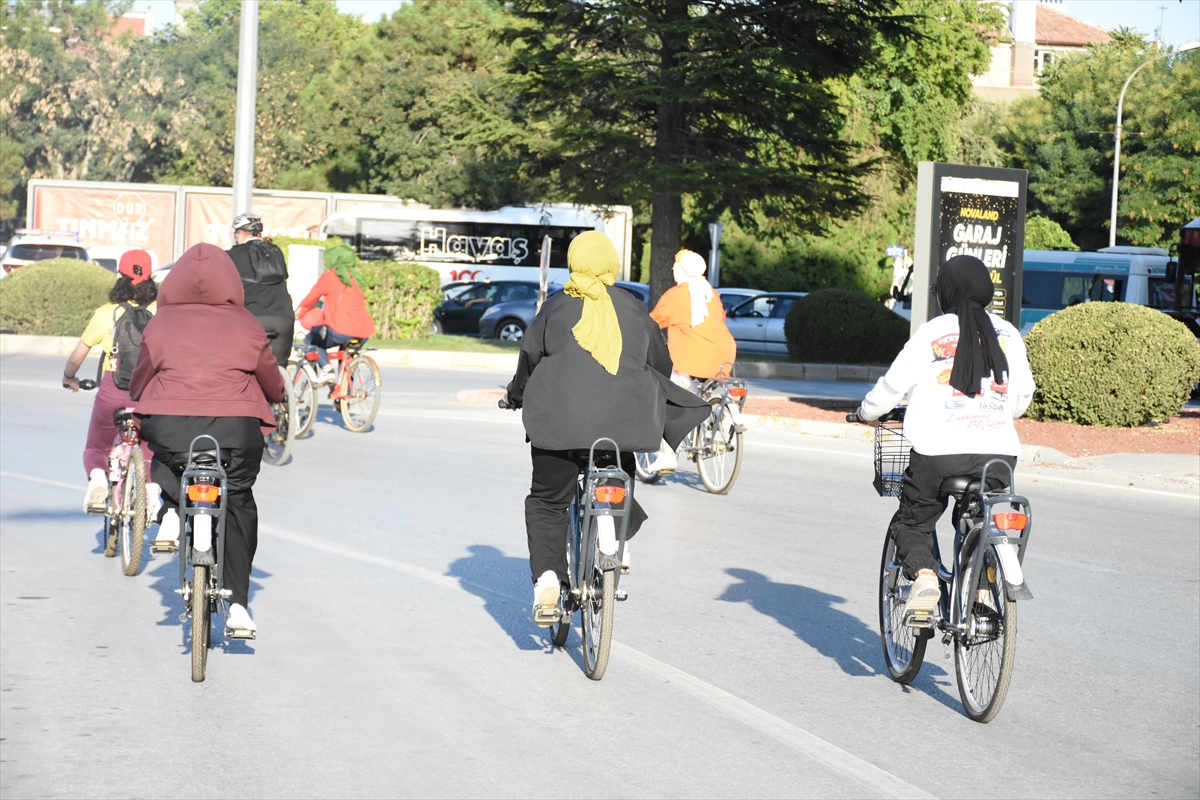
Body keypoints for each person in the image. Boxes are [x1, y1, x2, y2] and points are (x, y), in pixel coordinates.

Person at [503, 231, 709, 623]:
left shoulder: (557, 306)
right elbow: (660, 363)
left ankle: (548, 579)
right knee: (620, 470)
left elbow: (529, 358)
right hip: (624, 424)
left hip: (558, 426)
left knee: (548, 500)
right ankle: (615, 540)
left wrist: (516, 394)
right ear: (611, 264)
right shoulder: (632, 308)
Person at [854, 255, 1034, 626]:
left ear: (945, 292)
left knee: (914, 521)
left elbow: (891, 387)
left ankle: (923, 578)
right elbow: (1021, 398)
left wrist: (867, 413)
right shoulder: (1010, 334)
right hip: (998, 455)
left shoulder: (932, 333)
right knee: (980, 517)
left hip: (938, 454)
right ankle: (983, 592)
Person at [129, 243, 285, 634]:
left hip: (173, 427)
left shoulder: (159, 323)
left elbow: (140, 379)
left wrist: (139, 392)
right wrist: (277, 396)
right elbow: (270, 378)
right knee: (238, 502)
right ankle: (239, 608)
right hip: (236, 431)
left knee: (165, 454)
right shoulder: (246, 322)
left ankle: (169, 508)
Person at [62, 249, 159, 518]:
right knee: (151, 445)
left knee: (97, 448)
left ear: (121, 276)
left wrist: (69, 378)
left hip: (113, 390)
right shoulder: (160, 311)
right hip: (148, 394)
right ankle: (151, 494)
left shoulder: (106, 313)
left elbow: (76, 358)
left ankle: (99, 481)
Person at [647, 248, 738, 470]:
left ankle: (667, 455)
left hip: (692, 355)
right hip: (723, 352)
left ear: (679, 270)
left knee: (666, 397)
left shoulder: (676, 295)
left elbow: (651, 323)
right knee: (703, 387)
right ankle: (716, 418)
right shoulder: (711, 293)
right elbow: (720, 319)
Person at [295, 245, 376, 384]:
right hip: (363, 332)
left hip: (340, 330)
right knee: (345, 356)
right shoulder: (356, 278)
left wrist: (298, 312)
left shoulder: (329, 277)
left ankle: (327, 370)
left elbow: (310, 299)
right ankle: (344, 395)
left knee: (311, 340)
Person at [226, 213, 293, 366]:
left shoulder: (232, 255)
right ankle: (282, 387)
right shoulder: (275, 252)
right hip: (284, 318)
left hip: (252, 318)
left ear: (241, 234)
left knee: (244, 367)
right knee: (278, 372)